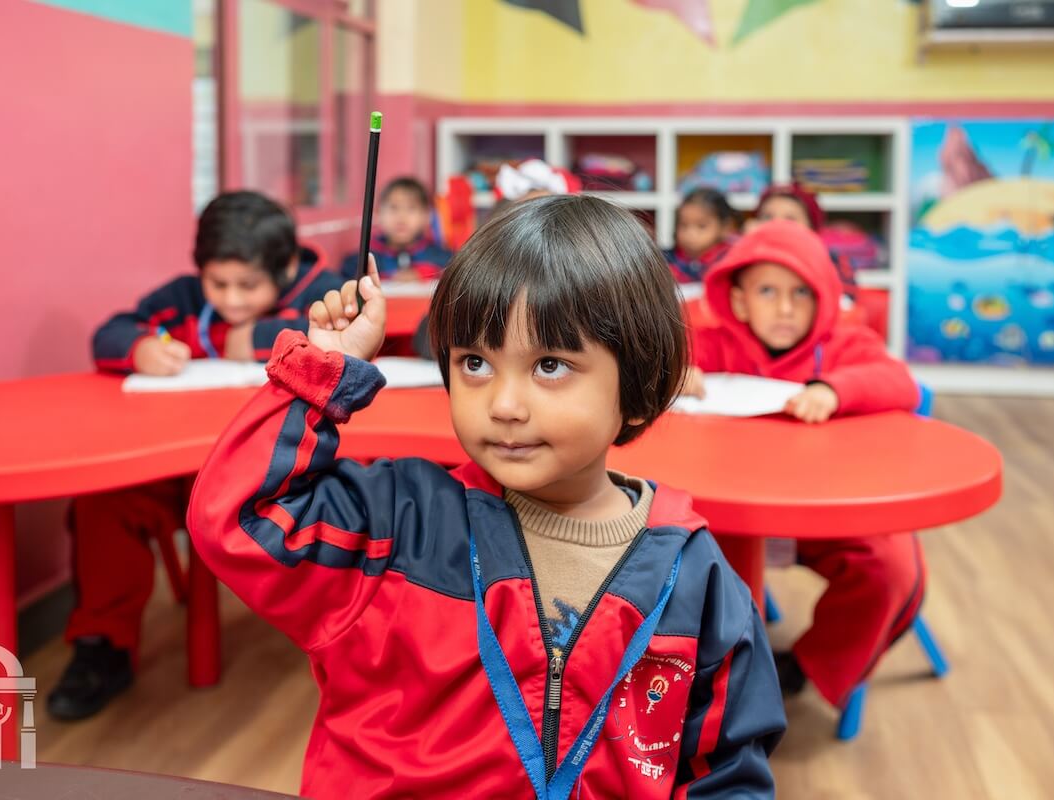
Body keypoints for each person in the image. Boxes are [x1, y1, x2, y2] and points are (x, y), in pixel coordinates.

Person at [188, 195, 785, 798]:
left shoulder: (697, 582)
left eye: (550, 366)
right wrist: (321, 374)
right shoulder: (395, 526)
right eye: (474, 362)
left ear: (636, 385)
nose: (503, 405)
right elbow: (236, 519)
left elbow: (726, 772)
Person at [47, 190, 343, 721]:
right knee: (103, 505)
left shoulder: (322, 293)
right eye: (218, 283)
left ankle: (345, 648)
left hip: (283, 481)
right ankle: (102, 647)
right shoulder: (182, 299)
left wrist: (251, 337)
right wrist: (140, 349)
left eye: (247, 286)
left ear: (287, 267)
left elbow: (351, 337)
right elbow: (111, 331)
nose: (230, 298)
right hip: (182, 473)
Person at [683, 219, 924, 711]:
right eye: (768, 291)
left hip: (822, 517)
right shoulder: (709, 341)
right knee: (687, 563)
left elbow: (899, 382)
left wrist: (835, 389)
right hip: (726, 517)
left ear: (824, 299)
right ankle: (719, 675)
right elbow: (642, 365)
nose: (786, 307)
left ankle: (806, 668)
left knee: (890, 568)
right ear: (739, 299)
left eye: (801, 292)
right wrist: (673, 372)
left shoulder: (842, 346)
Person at [339, 177, 452, 282]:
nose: (401, 217)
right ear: (379, 213)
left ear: (426, 216)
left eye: (411, 208)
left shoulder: (443, 258)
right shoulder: (362, 261)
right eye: (393, 208)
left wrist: (423, 274)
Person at [663, 187, 739, 283]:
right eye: (684, 225)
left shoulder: (731, 260)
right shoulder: (668, 260)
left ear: (725, 228)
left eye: (701, 226)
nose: (690, 233)